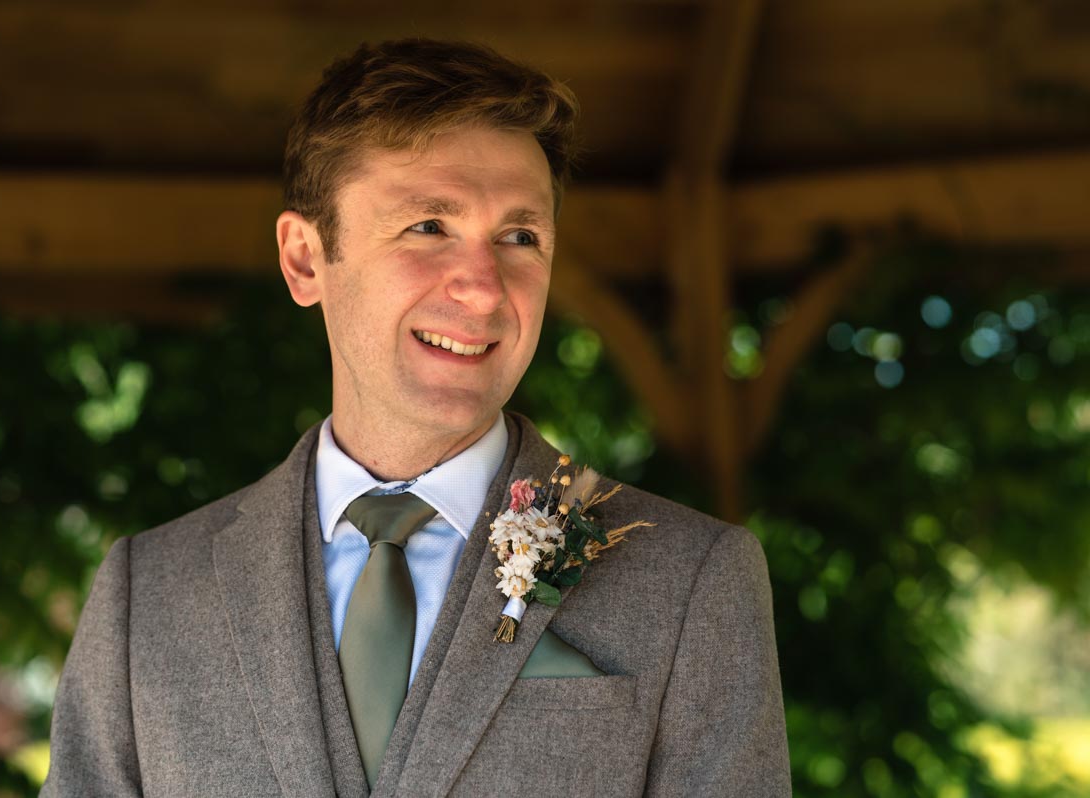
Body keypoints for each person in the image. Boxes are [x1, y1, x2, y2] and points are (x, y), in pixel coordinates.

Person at [41, 38, 791, 797]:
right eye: (429, 226)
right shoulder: (149, 597)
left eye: (520, 236)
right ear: (304, 260)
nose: (483, 288)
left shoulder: (695, 581)